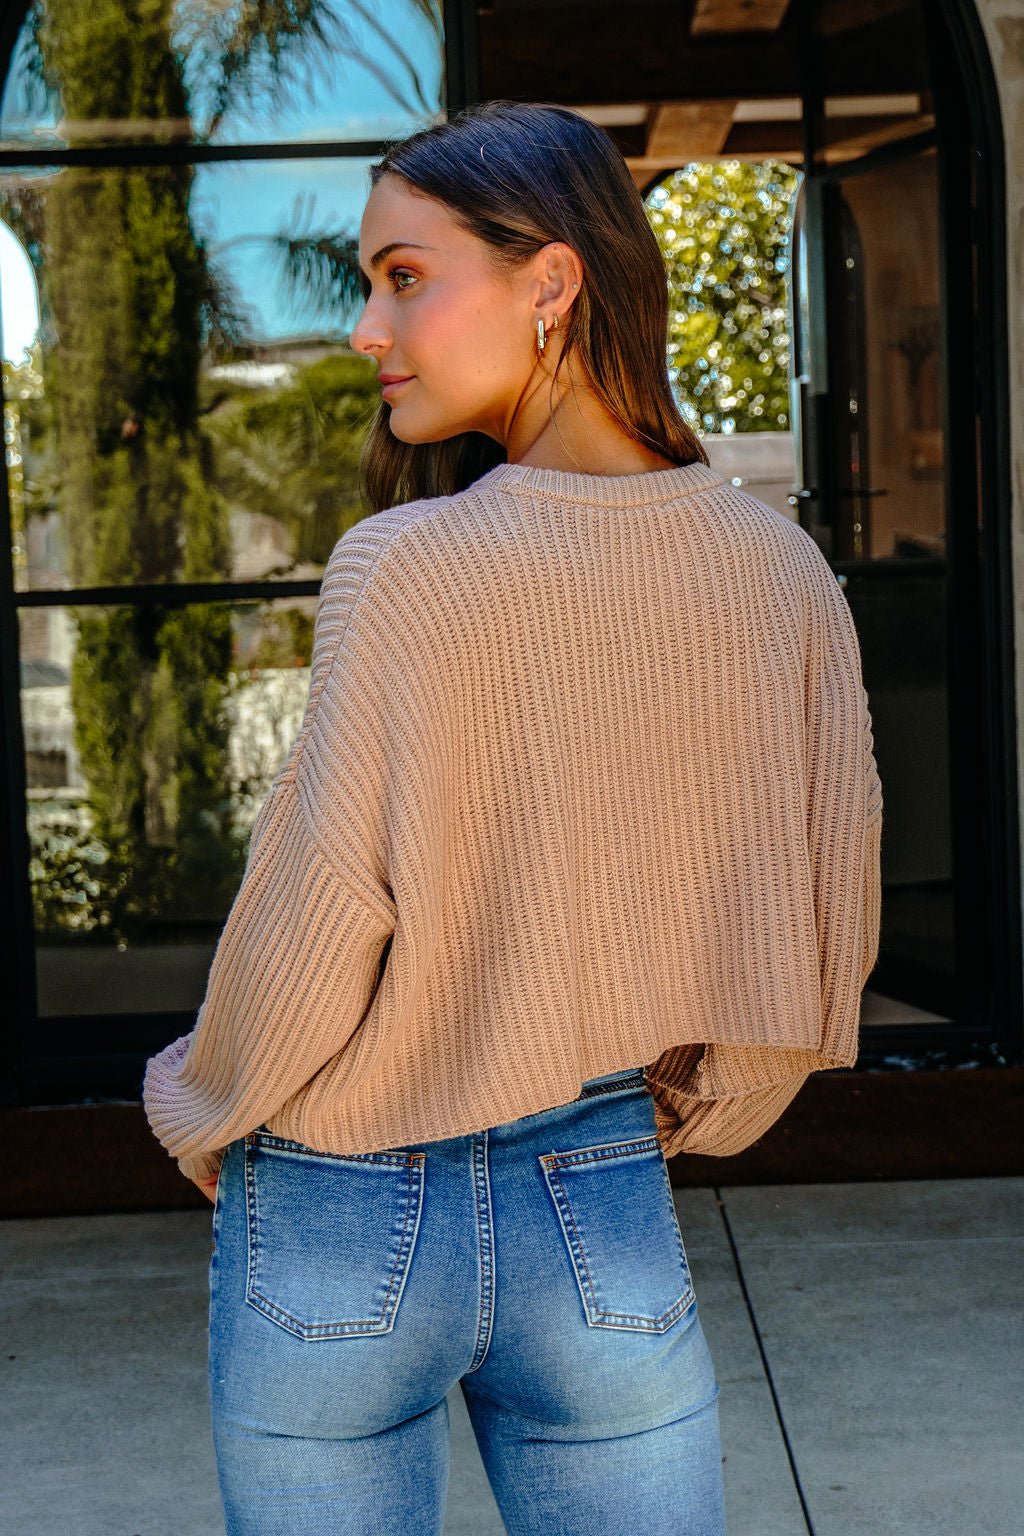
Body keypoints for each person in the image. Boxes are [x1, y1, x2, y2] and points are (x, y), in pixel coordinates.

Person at [143, 99, 882, 1536]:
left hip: (340, 1208)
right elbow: (824, 938)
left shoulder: (411, 568)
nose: (370, 327)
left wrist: (207, 1103)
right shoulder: (778, 571)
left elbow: (314, 924)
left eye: (403, 275)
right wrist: (665, 1112)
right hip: (597, 1187)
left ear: (551, 281)